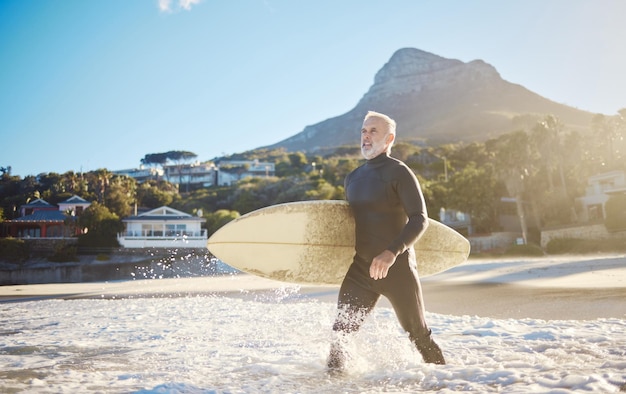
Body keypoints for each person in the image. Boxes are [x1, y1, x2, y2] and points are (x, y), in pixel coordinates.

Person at [327, 110, 446, 373]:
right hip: (361, 270)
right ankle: (332, 387)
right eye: (363, 131)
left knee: (418, 334)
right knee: (340, 336)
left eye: (373, 131)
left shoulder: (400, 173)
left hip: (397, 269)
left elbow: (419, 219)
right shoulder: (352, 178)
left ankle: (448, 384)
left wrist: (391, 252)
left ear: (389, 138)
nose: (366, 137)